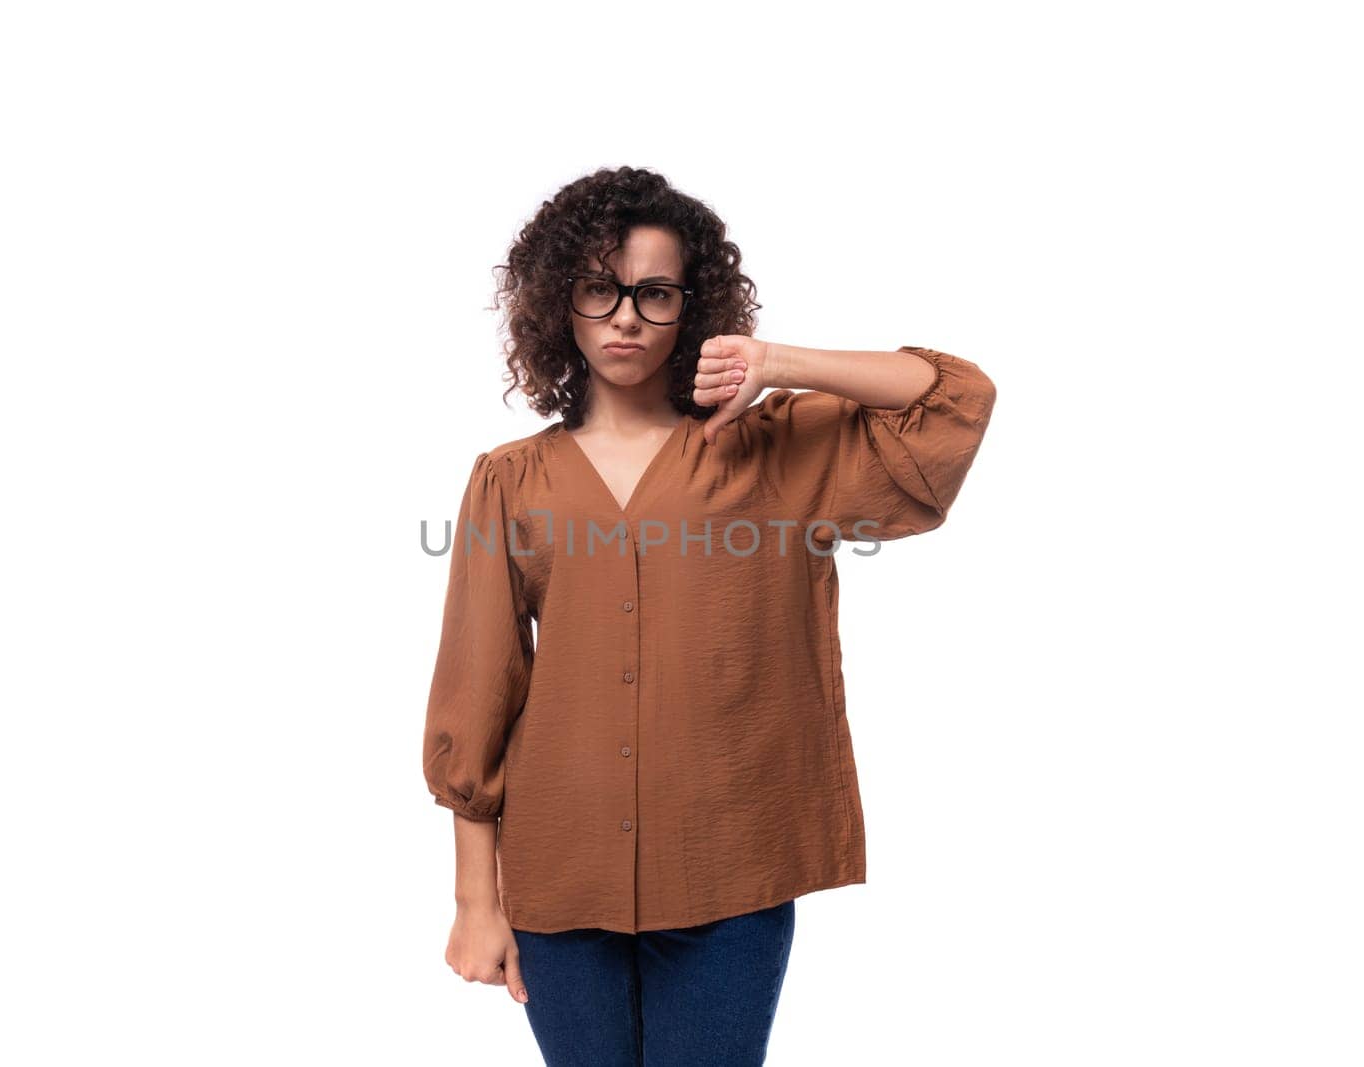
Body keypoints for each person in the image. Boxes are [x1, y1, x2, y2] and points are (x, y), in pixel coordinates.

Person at [422, 165, 998, 1065]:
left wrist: (776, 362)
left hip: (733, 864)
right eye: (599, 288)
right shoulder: (510, 478)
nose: (624, 316)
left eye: (654, 293)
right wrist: (474, 902)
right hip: (558, 874)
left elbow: (950, 397)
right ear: (558, 301)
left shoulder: (774, 449)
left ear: (692, 306)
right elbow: (478, 690)